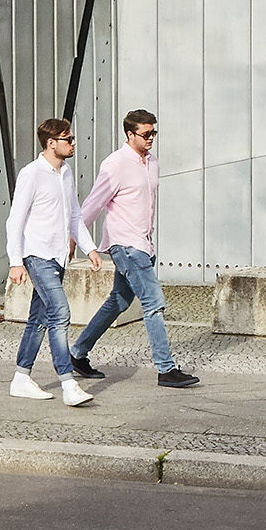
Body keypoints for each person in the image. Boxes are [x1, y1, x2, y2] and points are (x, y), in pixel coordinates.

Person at [75, 107, 197, 387]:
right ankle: (166, 369)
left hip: (144, 244)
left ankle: (77, 353)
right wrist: (77, 240)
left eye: (154, 132)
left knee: (118, 301)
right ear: (130, 134)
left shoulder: (152, 161)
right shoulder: (115, 164)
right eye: (146, 133)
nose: (151, 138)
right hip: (125, 244)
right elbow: (92, 205)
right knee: (153, 302)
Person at [3, 115, 91, 405]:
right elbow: (15, 220)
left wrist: (90, 249)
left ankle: (21, 378)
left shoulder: (66, 172)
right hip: (37, 255)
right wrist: (16, 260)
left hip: (58, 257)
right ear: (51, 143)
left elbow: (75, 215)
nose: (74, 143)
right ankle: (68, 383)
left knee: (39, 320)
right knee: (60, 313)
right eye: (69, 139)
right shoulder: (32, 174)